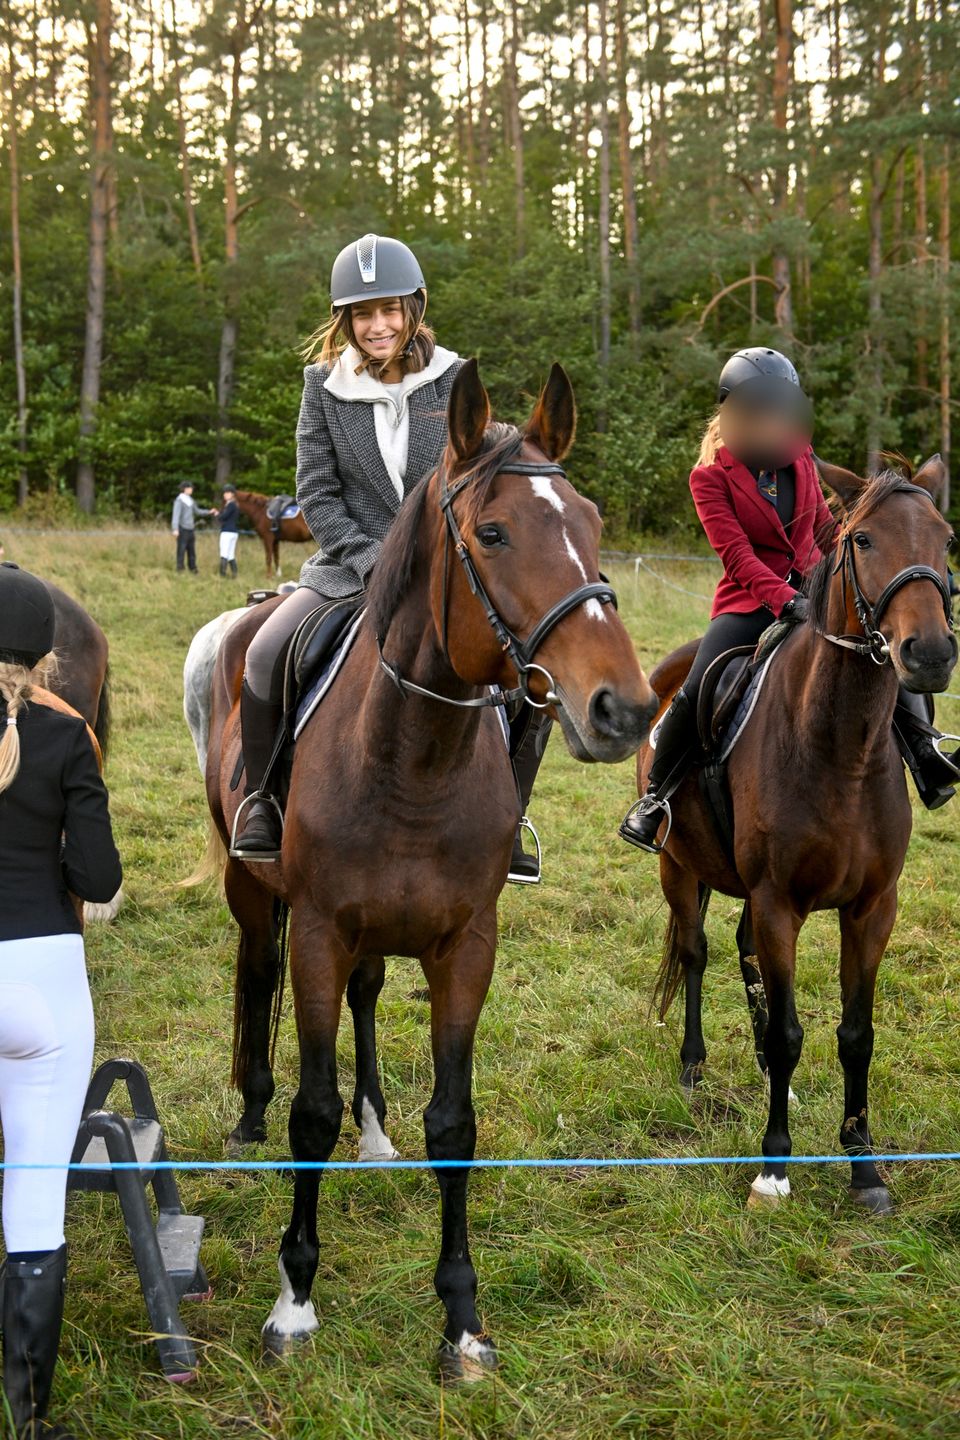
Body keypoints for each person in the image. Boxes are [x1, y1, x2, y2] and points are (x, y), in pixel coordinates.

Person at [230, 232, 552, 880]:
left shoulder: (454, 379)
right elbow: (317, 492)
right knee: (266, 652)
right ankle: (262, 801)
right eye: (362, 314)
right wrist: (372, 560)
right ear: (344, 320)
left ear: (413, 308)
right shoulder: (322, 386)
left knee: (529, 674)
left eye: (388, 310)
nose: (377, 326)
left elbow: (492, 454)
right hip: (350, 569)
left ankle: (512, 814)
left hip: (446, 574)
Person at [619, 346, 960, 853]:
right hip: (747, 602)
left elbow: (822, 529)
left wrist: (848, 572)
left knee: (883, 656)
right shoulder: (709, 477)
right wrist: (784, 600)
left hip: (815, 590)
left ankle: (926, 754)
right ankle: (657, 797)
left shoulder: (800, 456)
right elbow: (737, 556)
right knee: (696, 685)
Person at [0, 562, 122, 1440]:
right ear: (45, 653)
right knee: (36, 1200)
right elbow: (100, 877)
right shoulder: (68, 733)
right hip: (42, 982)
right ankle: (29, 1413)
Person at [170, 481, 216, 574]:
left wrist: (209, 512)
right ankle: (180, 569)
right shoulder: (179, 500)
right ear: (185, 489)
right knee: (181, 550)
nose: (192, 489)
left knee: (192, 551)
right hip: (182, 529)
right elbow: (176, 515)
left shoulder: (190, 500)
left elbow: (197, 511)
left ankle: (193, 569)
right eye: (190, 488)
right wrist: (175, 528)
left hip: (191, 529)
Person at [218, 485, 240, 578]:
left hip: (227, 531)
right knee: (231, 554)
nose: (225, 494)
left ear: (232, 494)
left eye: (227, 493)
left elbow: (223, 517)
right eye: (224, 493)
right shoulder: (235, 504)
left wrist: (217, 514)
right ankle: (234, 574)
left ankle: (222, 574)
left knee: (224, 553)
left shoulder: (230, 505)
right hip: (233, 532)